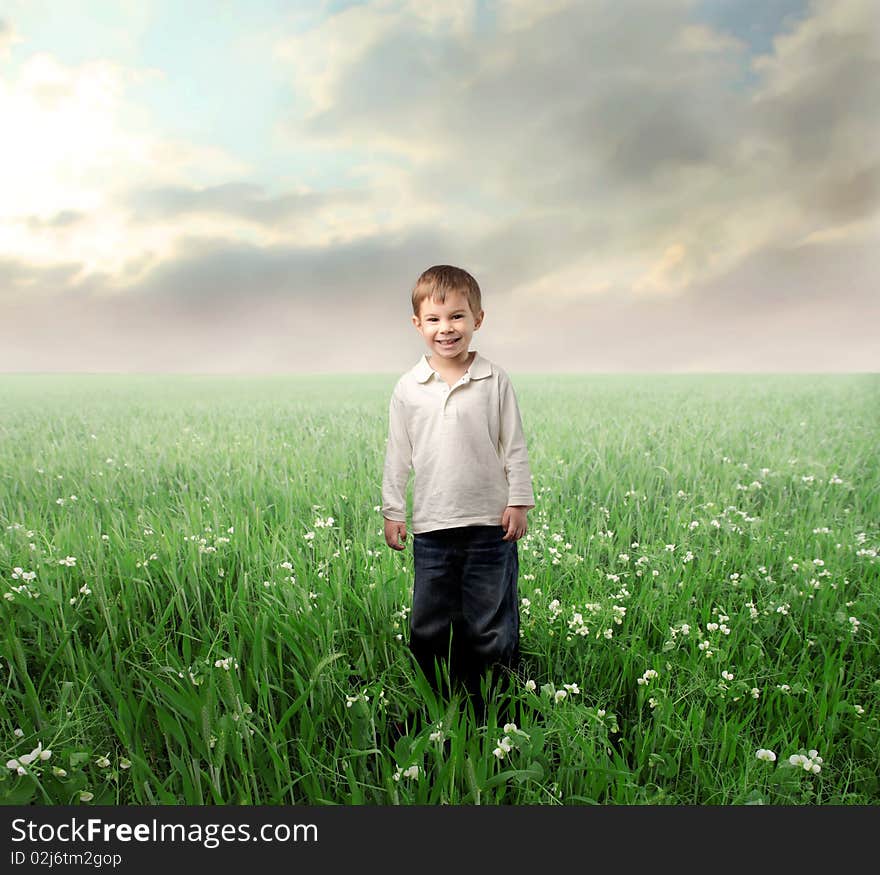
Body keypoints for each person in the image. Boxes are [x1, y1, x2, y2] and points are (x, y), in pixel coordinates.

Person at [381, 264, 535, 719]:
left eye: (457, 317)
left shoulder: (494, 380)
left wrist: (519, 500)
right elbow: (398, 454)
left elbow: (515, 444)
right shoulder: (408, 388)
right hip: (432, 528)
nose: (446, 328)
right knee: (429, 623)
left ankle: (497, 705)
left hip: (490, 526)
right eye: (434, 319)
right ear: (418, 324)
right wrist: (393, 511)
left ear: (478, 319)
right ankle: (433, 701)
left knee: (491, 622)